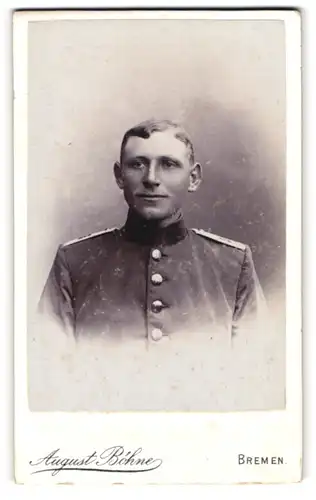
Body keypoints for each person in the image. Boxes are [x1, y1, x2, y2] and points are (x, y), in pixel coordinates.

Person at [39, 119, 266, 344]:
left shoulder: (232, 264)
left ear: (193, 178)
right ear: (119, 175)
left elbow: (254, 368)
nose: (151, 179)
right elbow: (50, 366)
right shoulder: (74, 262)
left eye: (168, 164)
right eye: (137, 164)